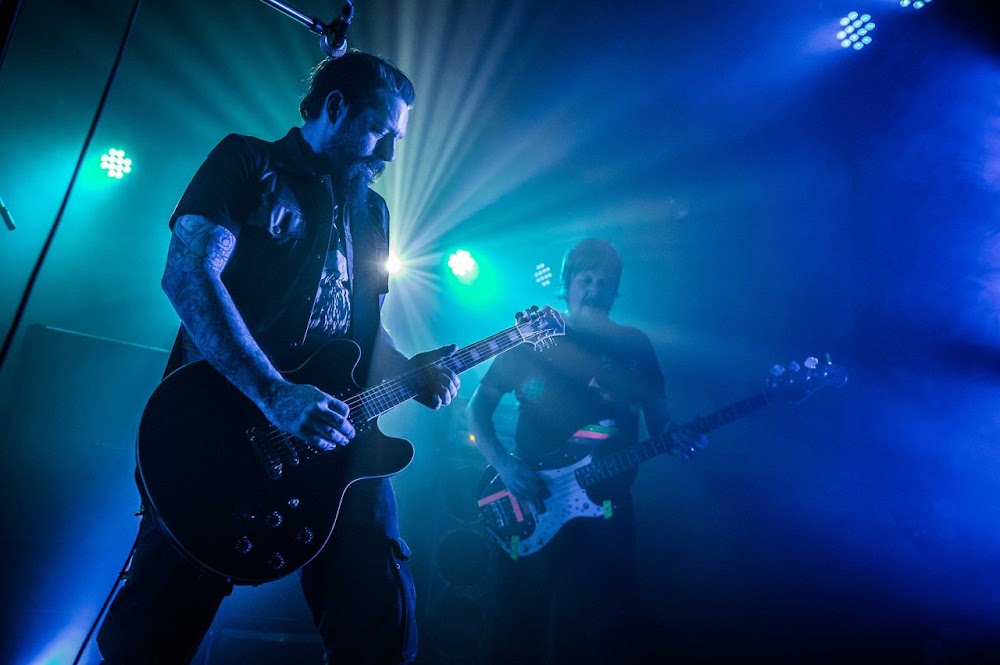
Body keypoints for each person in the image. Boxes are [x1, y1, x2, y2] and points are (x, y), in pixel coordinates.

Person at [96, 51, 459, 664]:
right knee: (152, 638)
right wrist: (274, 393)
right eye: (379, 130)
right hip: (216, 433)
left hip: (335, 439)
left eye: (397, 138)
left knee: (381, 627)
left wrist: (408, 370)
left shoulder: (372, 211)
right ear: (335, 107)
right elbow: (187, 275)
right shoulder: (247, 162)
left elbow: (361, 331)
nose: (389, 153)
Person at [466, 238, 706, 665]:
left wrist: (680, 437)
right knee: (517, 629)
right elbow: (477, 408)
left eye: (605, 282)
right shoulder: (534, 336)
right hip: (534, 501)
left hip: (608, 510)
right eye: (586, 279)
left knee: (608, 633)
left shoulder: (635, 345)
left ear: (616, 290)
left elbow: (660, 421)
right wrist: (504, 464)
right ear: (567, 285)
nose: (595, 289)